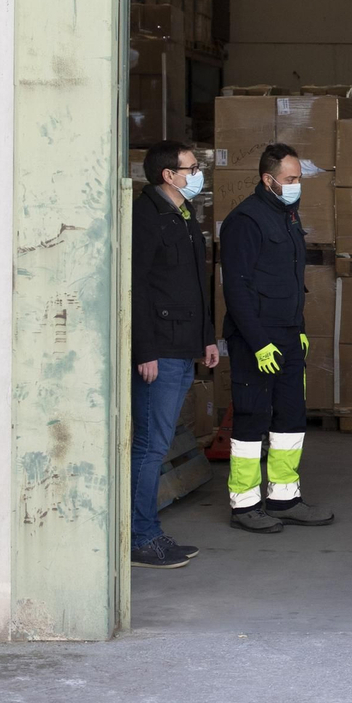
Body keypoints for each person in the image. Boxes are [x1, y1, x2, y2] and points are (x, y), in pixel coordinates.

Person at [220, 143, 333, 533]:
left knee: (290, 417)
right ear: (268, 180)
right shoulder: (245, 221)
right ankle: (245, 503)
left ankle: (284, 497)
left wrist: (298, 330)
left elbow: (291, 281)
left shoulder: (287, 216)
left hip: (286, 334)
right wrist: (257, 341)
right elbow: (236, 288)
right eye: (290, 179)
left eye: (298, 178)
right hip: (257, 338)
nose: (296, 184)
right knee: (252, 417)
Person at [130, 142, 219, 568]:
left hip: (183, 347)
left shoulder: (183, 216)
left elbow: (195, 286)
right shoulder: (148, 217)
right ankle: (141, 538)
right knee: (149, 447)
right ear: (168, 174)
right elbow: (138, 287)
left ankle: (146, 533)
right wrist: (144, 349)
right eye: (191, 167)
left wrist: (206, 340)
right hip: (160, 351)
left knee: (157, 444)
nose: (197, 173)